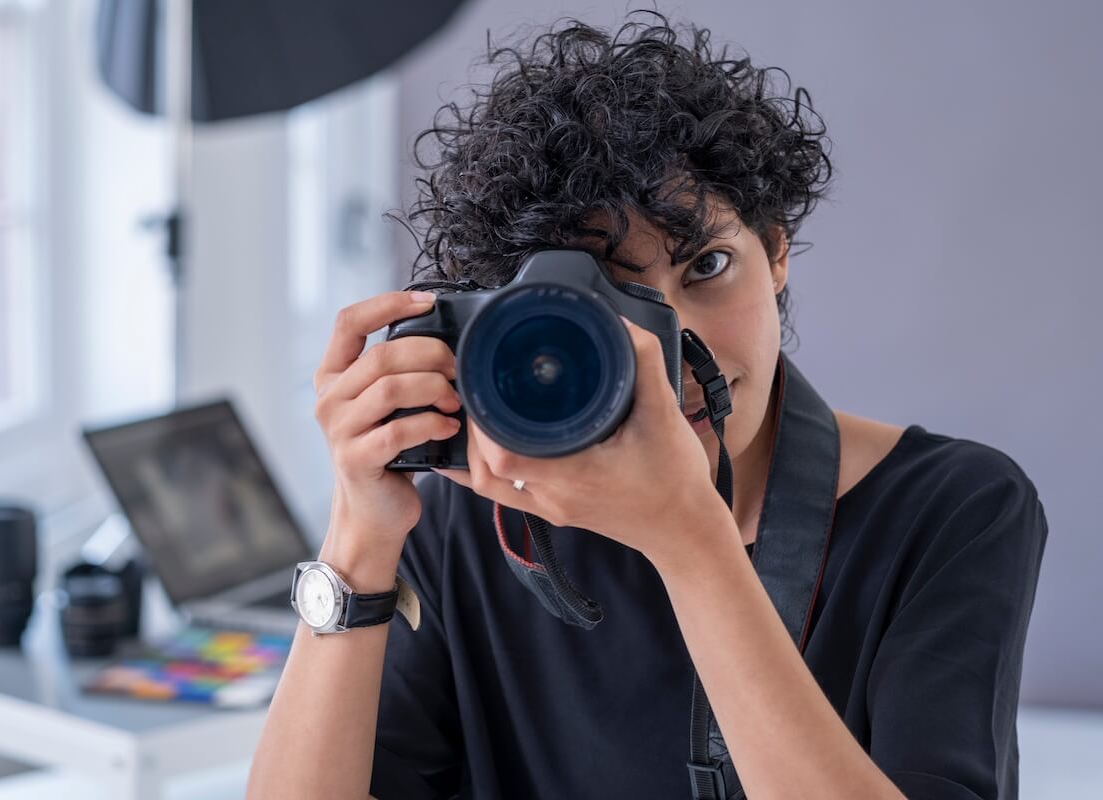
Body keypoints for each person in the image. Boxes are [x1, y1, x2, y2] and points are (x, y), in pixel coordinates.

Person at [247, 12, 1047, 800]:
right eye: (617, 301)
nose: (672, 345)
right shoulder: (473, 521)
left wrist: (689, 538)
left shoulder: (953, 507)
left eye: (708, 265)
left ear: (775, 253)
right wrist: (358, 533)